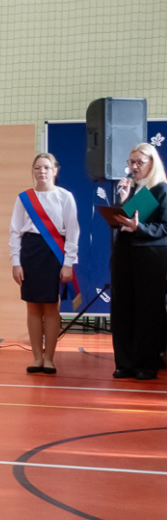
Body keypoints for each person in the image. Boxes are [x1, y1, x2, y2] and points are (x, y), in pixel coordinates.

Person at [9, 153, 79, 375]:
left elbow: (73, 232)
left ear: (55, 170)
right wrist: (15, 261)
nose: (42, 172)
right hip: (30, 253)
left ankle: (49, 358)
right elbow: (14, 232)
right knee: (32, 306)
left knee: (51, 306)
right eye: (38, 167)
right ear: (33, 170)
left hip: (54, 255)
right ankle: (36, 357)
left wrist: (68, 262)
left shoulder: (65, 197)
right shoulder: (23, 199)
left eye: (47, 167)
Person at [110, 143, 167, 379]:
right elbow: (121, 220)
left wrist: (139, 227)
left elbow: (163, 227)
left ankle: (146, 363)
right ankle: (125, 363)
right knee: (123, 309)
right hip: (125, 256)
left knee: (147, 311)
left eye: (138, 163)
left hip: (149, 258)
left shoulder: (161, 189)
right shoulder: (132, 189)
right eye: (130, 162)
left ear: (152, 163)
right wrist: (122, 200)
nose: (133, 167)